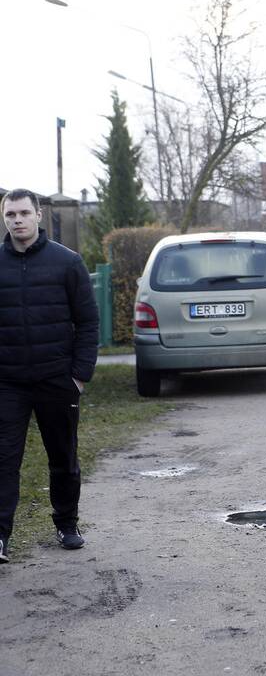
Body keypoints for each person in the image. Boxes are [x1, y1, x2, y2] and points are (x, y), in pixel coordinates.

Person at [0, 189, 99, 563]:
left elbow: (88, 322)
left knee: (63, 456)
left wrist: (79, 375)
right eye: (11, 214)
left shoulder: (67, 263)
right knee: (4, 459)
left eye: (24, 213)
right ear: (4, 218)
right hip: (7, 382)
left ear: (39, 215)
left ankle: (67, 524)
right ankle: (1, 536)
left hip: (57, 379)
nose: (17, 220)